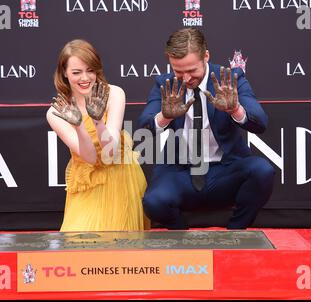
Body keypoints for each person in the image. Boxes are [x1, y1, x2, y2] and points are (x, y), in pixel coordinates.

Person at [137, 27, 275, 230]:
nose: (185, 78)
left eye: (192, 70)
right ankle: (181, 236)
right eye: (178, 71)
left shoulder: (230, 79)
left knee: (262, 171)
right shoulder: (165, 84)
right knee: (154, 202)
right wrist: (165, 116)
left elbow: (260, 122)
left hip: (225, 170)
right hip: (181, 172)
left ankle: (235, 234)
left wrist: (235, 109)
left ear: (206, 56)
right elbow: (145, 126)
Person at [47, 39, 149, 232]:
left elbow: (110, 154)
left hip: (121, 176)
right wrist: (78, 125)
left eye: (90, 70)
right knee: (77, 241)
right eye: (76, 72)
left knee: (120, 249)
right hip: (88, 183)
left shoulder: (114, 94)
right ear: (64, 73)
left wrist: (97, 121)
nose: (85, 78)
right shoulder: (55, 113)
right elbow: (91, 158)